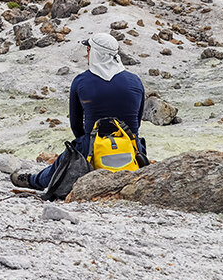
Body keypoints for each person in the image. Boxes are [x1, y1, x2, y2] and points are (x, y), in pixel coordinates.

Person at [11, 32, 146, 191]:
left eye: (88, 50)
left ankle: (33, 180)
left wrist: (85, 146)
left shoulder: (81, 81)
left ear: (95, 53)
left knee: (62, 162)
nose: (87, 54)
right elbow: (137, 121)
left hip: (93, 145)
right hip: (130, 146)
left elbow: (76, 125)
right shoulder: (135, 81)